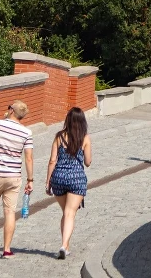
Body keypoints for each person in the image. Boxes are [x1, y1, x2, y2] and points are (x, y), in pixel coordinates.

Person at [0, 100, 34, 258]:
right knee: (10, 212)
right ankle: (6, 249)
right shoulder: (27, 132)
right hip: (13, 177)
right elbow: (29, 158)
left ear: (11, 110)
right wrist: (30, 179)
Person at [45, 107, 92, 260]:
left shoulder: (59, 136)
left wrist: (48, 182)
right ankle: (64, 245)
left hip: (58, 177)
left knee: (66, 212)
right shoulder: (84, 138)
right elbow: (88, 162)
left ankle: (66, 245)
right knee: (70, 213)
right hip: (76, 179)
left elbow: (52, 160)